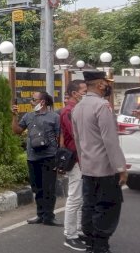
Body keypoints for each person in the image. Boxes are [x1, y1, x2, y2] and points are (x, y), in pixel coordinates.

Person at [72, 71, 127, 253]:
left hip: (88, 168)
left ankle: (91, 244)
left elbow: (78, 141)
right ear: (100, 85)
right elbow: (110, 140)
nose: (107, 86)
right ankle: (100, 246)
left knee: (89, 205)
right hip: (105, 169)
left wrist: (83, 162)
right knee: (107, 206)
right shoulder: (102, 106)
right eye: (106, 83)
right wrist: (120, 167)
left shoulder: (77, 108)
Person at [12, 91, 62, 227]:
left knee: (49, 188)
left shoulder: (54, 117)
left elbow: (59, 138)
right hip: (33, 158)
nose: (31, 102)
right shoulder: (28, 116)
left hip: (49, 157)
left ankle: (49, 216)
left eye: (33, 99)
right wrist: (14, 116)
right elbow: (17, 131)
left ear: (42, 102)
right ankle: (40, 215)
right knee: (37, 188)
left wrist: (60, 157)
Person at [59, 80, 88, 251]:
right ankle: (70, 235)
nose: (85, 93)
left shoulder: (76, 109)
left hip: (82, 159)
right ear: (73, 92)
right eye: (83, 90)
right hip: (75, 158)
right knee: (74, 198)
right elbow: (77, 134)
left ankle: (77, 230)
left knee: (81, 198)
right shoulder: (69, 111)